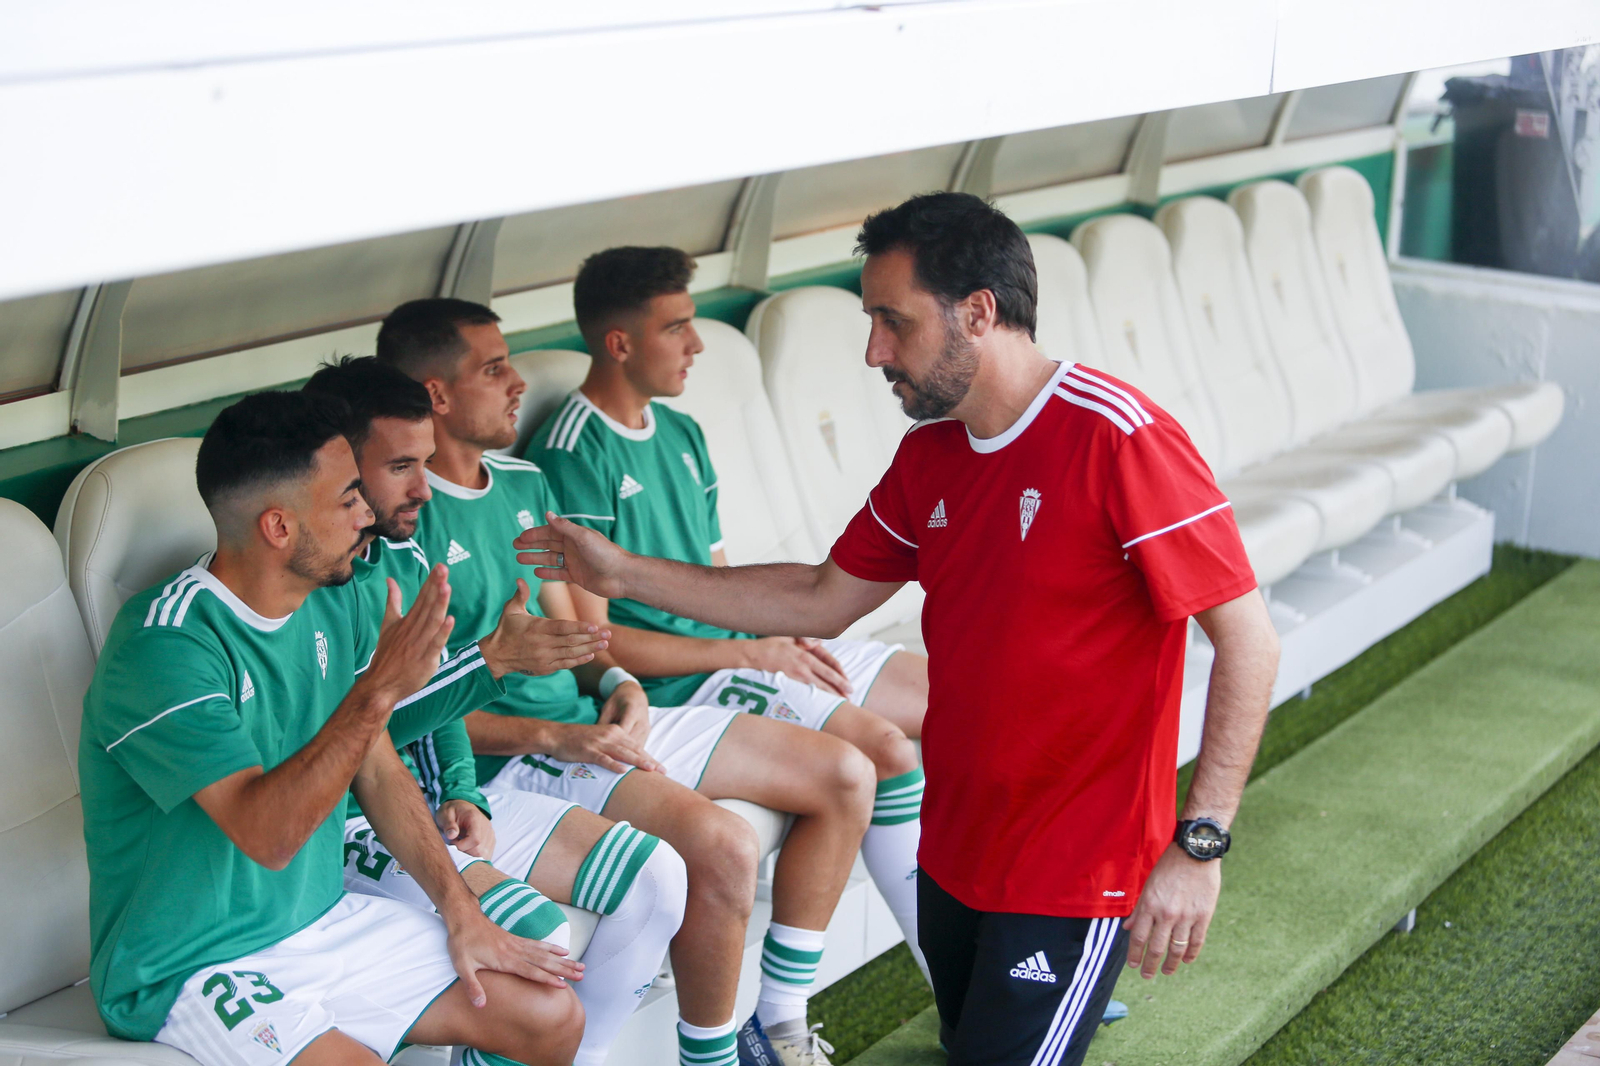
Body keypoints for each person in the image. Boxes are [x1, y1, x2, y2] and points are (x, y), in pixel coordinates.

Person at [515, 192, 1281, 1066]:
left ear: (979, 313)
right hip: (955, 854)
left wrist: (1202, 845)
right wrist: (620, 573)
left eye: (892, 321)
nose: (874, 351)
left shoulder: (1119, 438)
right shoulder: (930, 456)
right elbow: (818, 596)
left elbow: (1248, 641)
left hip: (1074, 873)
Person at [376, 299, 876, 1066]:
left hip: (585, 725)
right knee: (723, 848)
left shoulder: (518, 482)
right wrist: (557, 731)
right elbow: (408, 709)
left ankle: (769, 1029)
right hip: (516, 756)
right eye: (494, 368)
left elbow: (571, 630)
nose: (517, 382)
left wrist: (615, 679)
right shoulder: (402, 527)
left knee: (848, 769)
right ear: (435, 396)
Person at [78, 390, 583, 1066]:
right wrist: (377, 691)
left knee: (549, 1014)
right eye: (348, 498)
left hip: (319, 922)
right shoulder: (165, 644)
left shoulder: (331, 599)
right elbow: (268, 836)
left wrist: (461, 910)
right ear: (279, 527)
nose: (368, 514)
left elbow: (375, 766)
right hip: (191, 965)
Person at [530, 245, 929, 978]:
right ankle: (952, 982)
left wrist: (775, 629)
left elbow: (713, 589)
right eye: (677, 326)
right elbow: (597, 645)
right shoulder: (569, 456)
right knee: (888, 751)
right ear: (620, 344)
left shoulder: (680, 433)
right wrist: (749, 652)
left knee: (965, 702)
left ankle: (986, 944)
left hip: (739, 650)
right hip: (682, 685)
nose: (697, 343)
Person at [302, 357, 688, 1066]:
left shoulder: (405, 559)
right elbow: (365, 739)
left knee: (657, 878)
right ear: (339, 467)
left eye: (424, 462)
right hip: (351, 824)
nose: (424, 486)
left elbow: (426, 708)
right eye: (400, 467)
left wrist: (461, 790)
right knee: (538, 944)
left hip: (436, 803)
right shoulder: (315, 581)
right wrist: (494, 662)